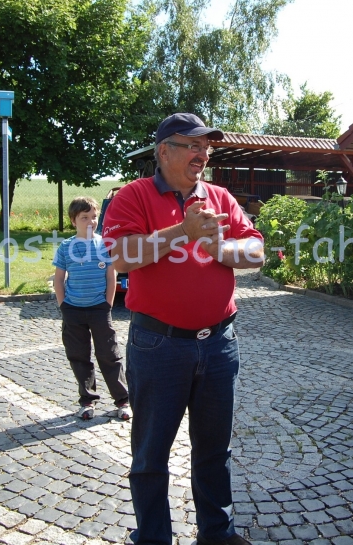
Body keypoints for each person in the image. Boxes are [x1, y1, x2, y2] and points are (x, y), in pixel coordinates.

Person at [101, 113, 265, 545]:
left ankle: (217, 533)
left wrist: (222, 247)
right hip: (159, 345)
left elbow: (256, 250)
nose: (202, 154)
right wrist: (183, 231)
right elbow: (122, 257)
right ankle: (154, 537)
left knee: (215, 450)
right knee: (151, 453)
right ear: (163, 152)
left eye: (206, 146)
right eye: (191, 145)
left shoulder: (220, 196)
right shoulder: (133, 196)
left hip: (219, 344)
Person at [53, 196, 130, 421]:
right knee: (79, 356)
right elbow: (59, 279)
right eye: (84, 217)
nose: (91, 222)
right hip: (73, 311)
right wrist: (64, 305)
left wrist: (107, 304)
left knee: (109, 355)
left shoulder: (105, 244)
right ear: (73, 220)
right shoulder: (66, 247)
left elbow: (110, 275)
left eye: (94, 217)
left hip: (99, 310)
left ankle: (123, 400)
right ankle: (87, 401)